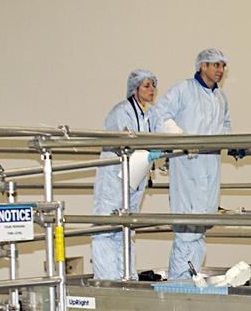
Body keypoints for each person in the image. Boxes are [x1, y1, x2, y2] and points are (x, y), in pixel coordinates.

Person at [152, 48, 232, 280]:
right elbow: (160, 115)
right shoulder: (183, 90)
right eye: (215, 65)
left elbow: (225, 125)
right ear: (202, 66)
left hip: (210, 165)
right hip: (187, 165)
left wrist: (234, 144)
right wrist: (182, 139)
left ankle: (192, 279)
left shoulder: (220, 97)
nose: (220, 70)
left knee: (202, 224)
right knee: (188, 227)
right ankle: (180, 281)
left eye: (222, 66)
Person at [91, 70, 163, 280]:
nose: (151, 90)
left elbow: (160, 134)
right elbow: (126, 140)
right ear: (135, 88)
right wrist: (148, 150)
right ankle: (106, 276)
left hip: (136, 175)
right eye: (146, 86)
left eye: (153, 86)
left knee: (127, 225)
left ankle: (126, 274)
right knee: (107, 224)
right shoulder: (122, 111)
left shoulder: (149, 113)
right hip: (115, 175)